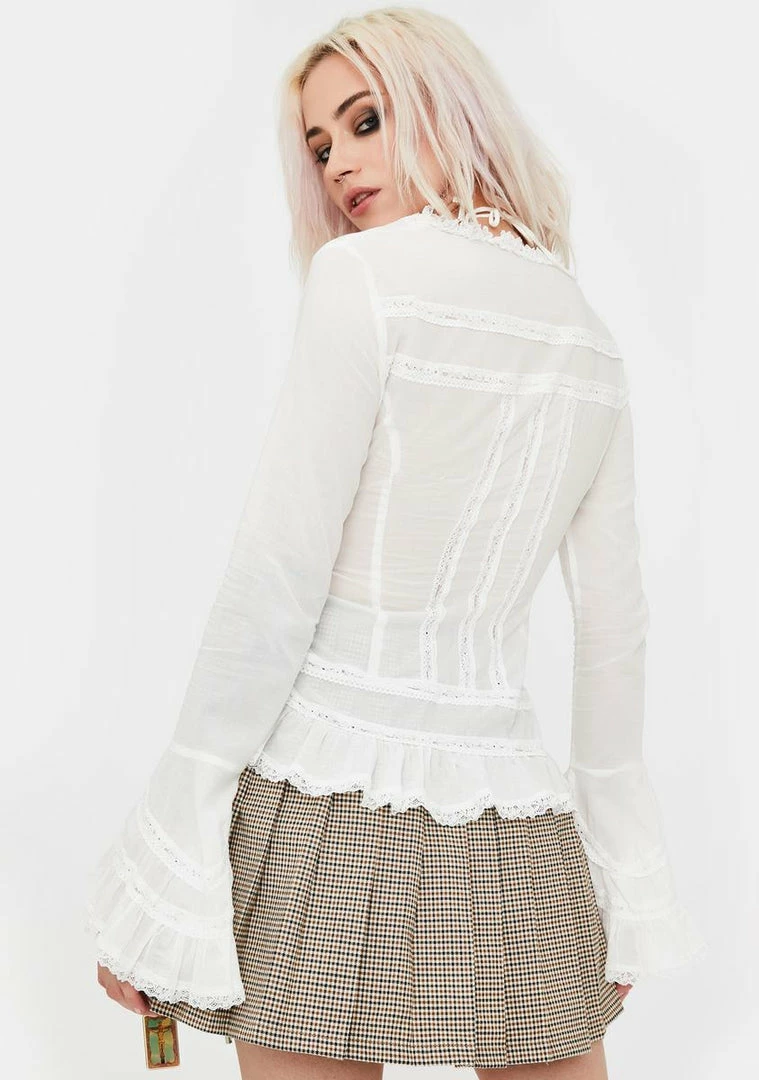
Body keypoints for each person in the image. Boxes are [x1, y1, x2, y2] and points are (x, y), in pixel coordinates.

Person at [86, 7, 707, 1078]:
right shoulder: (587, 335)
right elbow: (616, 634)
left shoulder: (361, 280)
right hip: (514, 822)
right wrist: (622, 875)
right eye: (319, 143)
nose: (336, 165)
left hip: (322, 794)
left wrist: (175, 835)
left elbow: (276, 578)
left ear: (444, 108)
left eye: (364, 121)